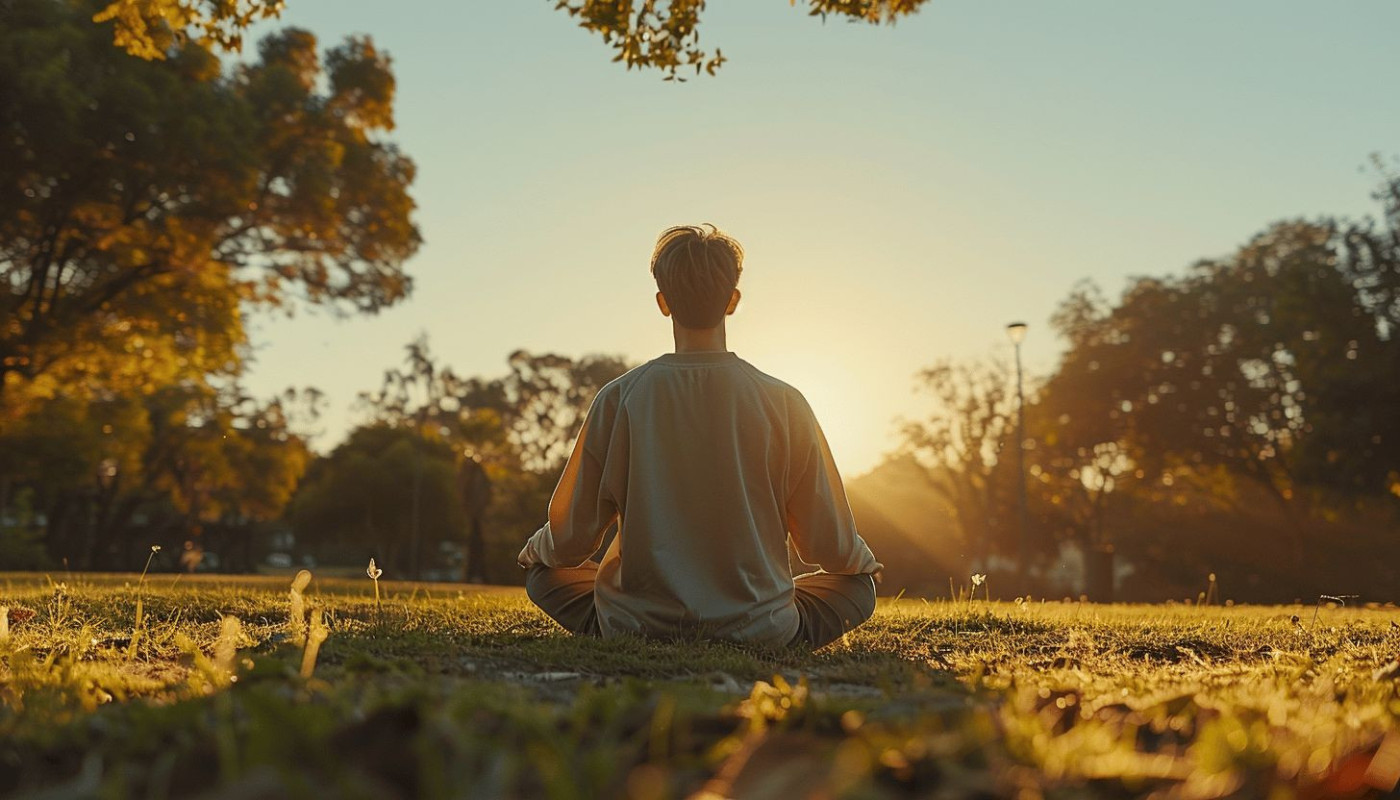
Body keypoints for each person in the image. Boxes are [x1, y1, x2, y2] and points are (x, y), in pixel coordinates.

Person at [517, 224, 882, 649]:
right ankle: (759, 628)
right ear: (733, 301)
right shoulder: (784, 401)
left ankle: (630, 626)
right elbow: (829, 545)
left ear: (662, 303)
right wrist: (862, 562)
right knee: (859, 589)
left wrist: (535, 549)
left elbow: (570, 540)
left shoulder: (619, 398)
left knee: (543, 577)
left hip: (639, 625)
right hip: (758, 629)